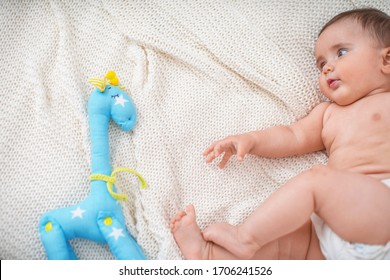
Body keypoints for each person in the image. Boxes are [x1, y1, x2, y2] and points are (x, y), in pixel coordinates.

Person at [170, 8, 390, 260]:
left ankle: (245, 238)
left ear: (386, 60)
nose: (328, 67)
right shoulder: (328, 114)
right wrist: (251, 140)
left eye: (341, 52)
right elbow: (292, 136)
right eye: (321, 64)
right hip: (334, 234)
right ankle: (208, 256)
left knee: (316, 182)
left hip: (381, 212)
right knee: (287, 242)